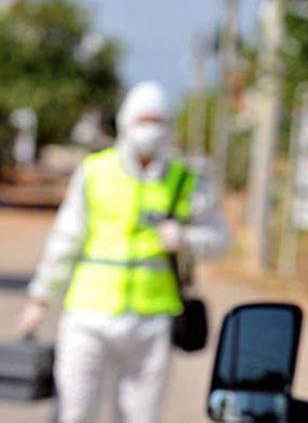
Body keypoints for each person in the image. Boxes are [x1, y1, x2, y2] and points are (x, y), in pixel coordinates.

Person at [15, 81, 229, 423]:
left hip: (151, 320)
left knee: (138, 416)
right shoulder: (95, 171)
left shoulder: (186, 179)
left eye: (158, 121)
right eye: (144, 120)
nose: (150, 130)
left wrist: (186, 238)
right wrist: (40, 299)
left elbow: (219, 240)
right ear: (126, 122)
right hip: (88, 314)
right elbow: (65, 240)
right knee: (74, 410)